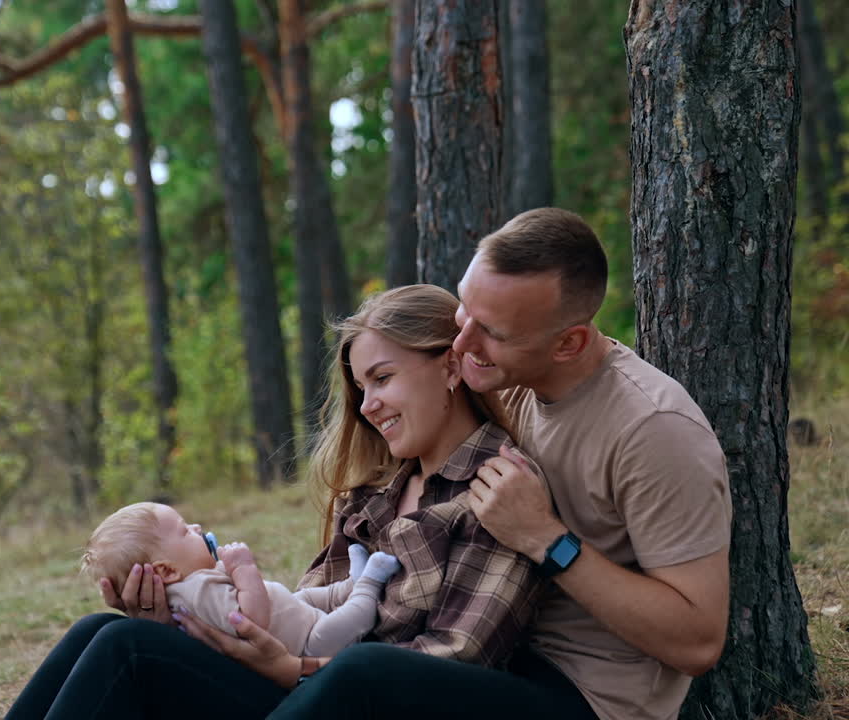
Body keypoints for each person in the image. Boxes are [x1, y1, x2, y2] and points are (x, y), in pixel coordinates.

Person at [239, 208, 731, 720]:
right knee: (148, 652)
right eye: (464, 311)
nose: (462, 343)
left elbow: (697, 644)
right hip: (485, 657)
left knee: (363, 675)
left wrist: (547, 541)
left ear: (570, 343)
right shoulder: (502, 380)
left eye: (491, 331)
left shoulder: (653, 429)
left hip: (580, 695)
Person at [4, 284, 548, 720]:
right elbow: (304, 606)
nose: (369, 406)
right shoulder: (374, 492)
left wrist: (297, 667)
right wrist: (189, 615)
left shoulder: (496, 487)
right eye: (360, 389)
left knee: (129, 650)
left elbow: (460, 654)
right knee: (105, 632)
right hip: (304, 681)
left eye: (383, 378)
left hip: (369, 700)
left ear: (451, 367)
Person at [80, 501, 401, 657]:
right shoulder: (196, 591)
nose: (197, 529)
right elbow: (251, 620)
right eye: (184, 530)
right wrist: (244, 569)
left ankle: (351, 583)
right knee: (354, 616)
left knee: (304, 598)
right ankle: (369, 585)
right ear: (166, 571)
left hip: (291, 618)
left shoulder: (193, 585)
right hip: (308, 646)